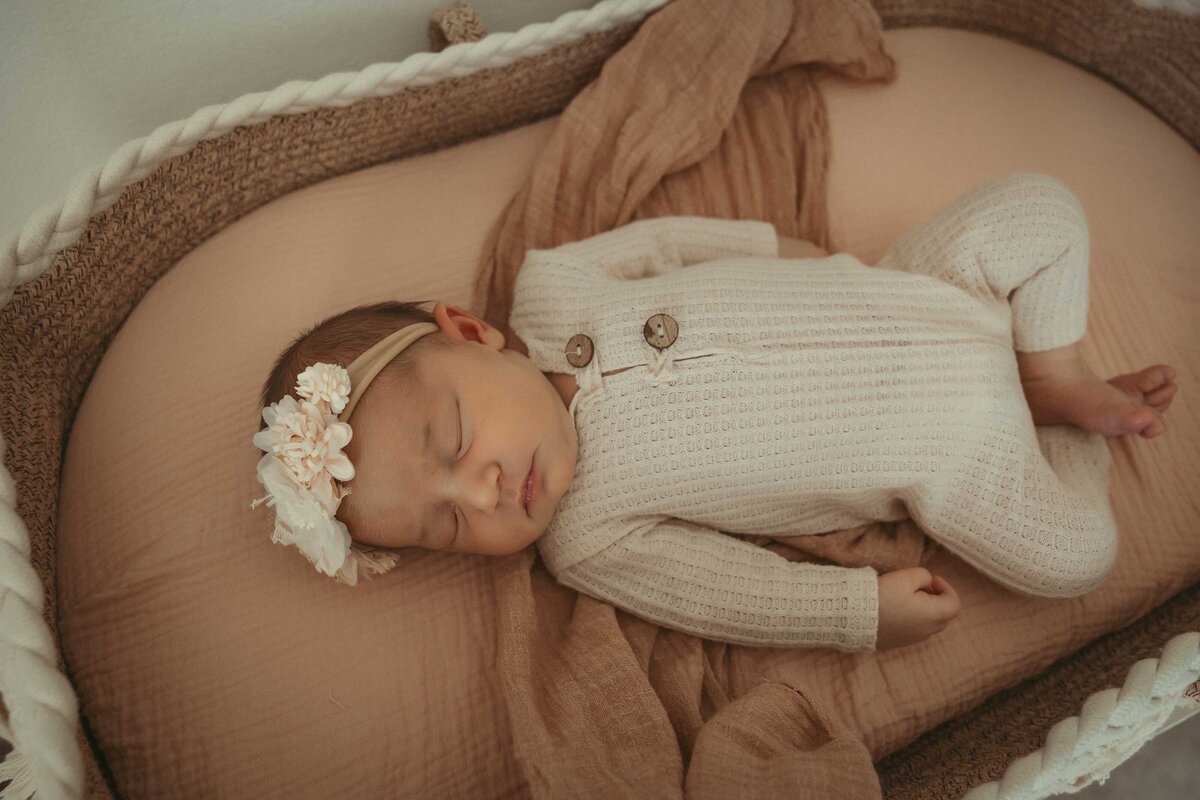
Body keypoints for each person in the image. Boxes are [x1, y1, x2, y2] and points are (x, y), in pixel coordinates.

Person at [251, 172, 1177, 652]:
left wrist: (777, 248)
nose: (484, 490)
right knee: (1075, 559)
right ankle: (1047, 423)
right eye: (449, 524)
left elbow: (663, 244)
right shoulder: (590, 541)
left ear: (470, 331)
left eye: (454, 442)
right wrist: (858, 612)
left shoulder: (551, 289)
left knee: (1041, 210)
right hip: (951, 457)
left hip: (917, 288)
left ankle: (1050, 373)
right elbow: (737, 596)